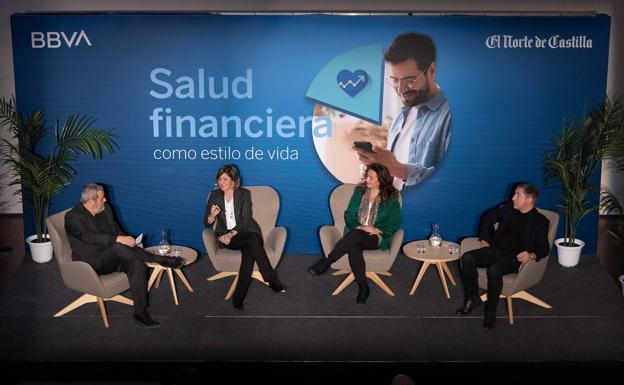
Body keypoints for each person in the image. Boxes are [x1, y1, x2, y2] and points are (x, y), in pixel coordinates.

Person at [65, 183, 185, 328]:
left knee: (137, 264)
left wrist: (130, 241)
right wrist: (119, 240)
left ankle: (139, 312)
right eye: (102, 198)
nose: (106, 200)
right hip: (90, 263)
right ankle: (160, 259)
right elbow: (89, 237)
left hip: (111, 256)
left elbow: (116, 230)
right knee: (118, 247)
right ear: (91, 201)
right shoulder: (72, 217)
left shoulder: (106, 209)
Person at [354, 32, 452, 190]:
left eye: (409, 80)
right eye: (395, 80)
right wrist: (378, 170)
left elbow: (453, 179)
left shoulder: (448, 116)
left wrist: (398, 168)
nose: (400, 89)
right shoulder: (400, 118)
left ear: (432, 71)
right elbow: (397, 178)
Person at [456, 182, 550, 329]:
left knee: (495, 270)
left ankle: (491, 310)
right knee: (468, 258)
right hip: (495, 250)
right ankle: (473, 297)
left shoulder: (540, 222)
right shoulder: (508, 209)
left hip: (514, 259)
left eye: (517, 195)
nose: (513, 197)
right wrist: (485, 239)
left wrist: (531, 255)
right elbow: (488, 217)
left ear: (529, 200)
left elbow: (544, 248)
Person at [308, 163, 401, 304]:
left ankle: (326, 262)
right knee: (354, 246)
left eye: (371, 177)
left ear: (381, 179)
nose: (367, 180)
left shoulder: (392, 197)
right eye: (366, 176)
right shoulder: (360, 191)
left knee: (355, 236)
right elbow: (349, 214)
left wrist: (377, 230)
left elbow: (395, 223)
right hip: (356, 233)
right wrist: (359, 226)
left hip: (376, 238)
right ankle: (363, 287)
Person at [204, 164, 286, 310]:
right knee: (252, 242)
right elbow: (207, 223)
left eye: (225, 179)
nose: (221, 182)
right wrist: (212, 216)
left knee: (250, 247)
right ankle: (271, 279)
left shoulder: (244, 194)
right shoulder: (214, 195)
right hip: (227, 237)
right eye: (219, 179)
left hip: (247, 231)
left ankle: (239, 297)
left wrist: (231, 233)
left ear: (234, 181)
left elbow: (246, 220)